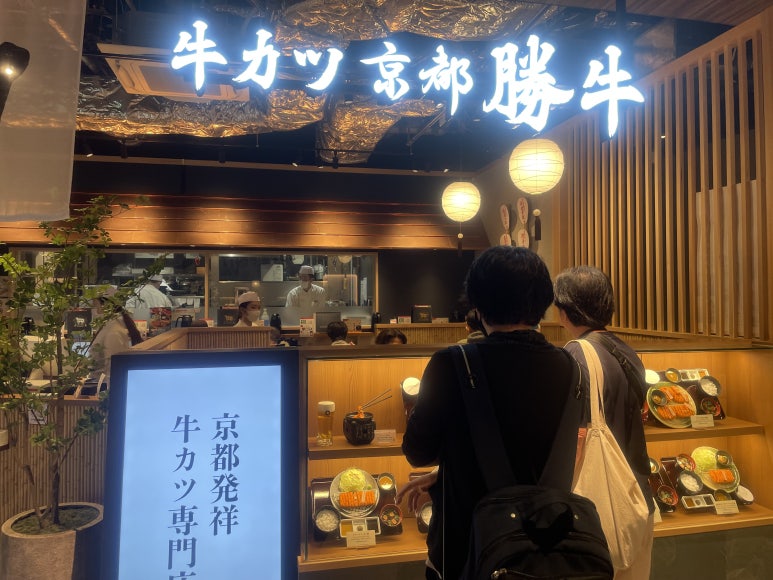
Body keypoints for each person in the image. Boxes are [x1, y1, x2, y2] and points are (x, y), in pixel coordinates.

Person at [401, 246, 581, 580]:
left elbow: (417, 451)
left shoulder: (452, 363)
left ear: (478, 303)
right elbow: (537, 445)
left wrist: (451, 465)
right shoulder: (570, 366)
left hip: (466, 552)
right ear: (544, 301)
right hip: (544, 553)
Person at [553, 265, 655, 580]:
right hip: (637, 501)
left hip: (599, 507)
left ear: (564, 312)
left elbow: (579, 438)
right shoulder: (625, 350)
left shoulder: (577, 354)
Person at [89, 287, 144, 386]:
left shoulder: (113, 331)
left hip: (103, 388)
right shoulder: (109, 326)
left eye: (95, 306)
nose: (95, 310)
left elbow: (113, 367)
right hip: (99, 384)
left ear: (105, 305)